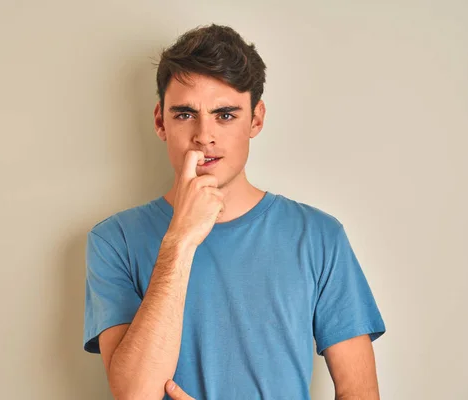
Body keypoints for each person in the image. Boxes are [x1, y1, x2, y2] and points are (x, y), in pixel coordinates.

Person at [83, 23, 386, 400]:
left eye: (225, 115)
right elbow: (133, 395)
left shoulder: (319, 236)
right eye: (184, 114)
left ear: (255, 119)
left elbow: (360, 393)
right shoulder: (114, 241)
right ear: (160, 121)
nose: (204, 134)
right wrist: (179, 241)